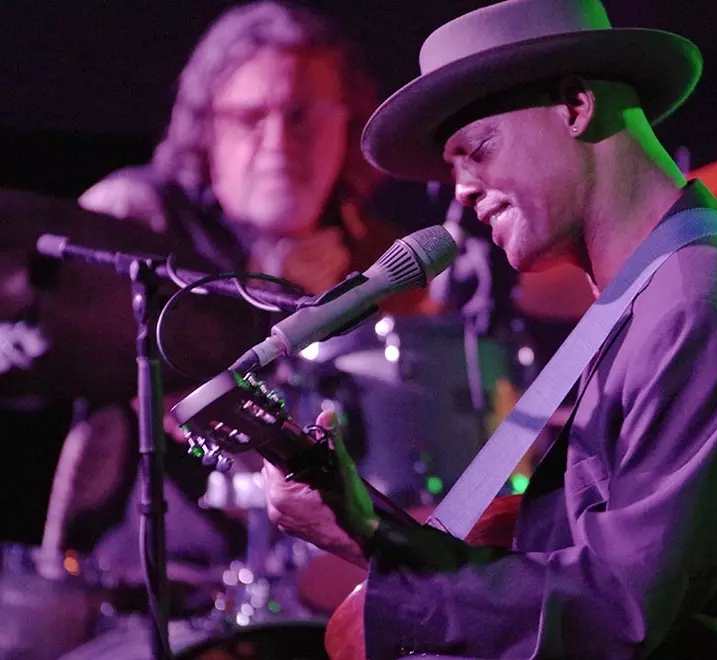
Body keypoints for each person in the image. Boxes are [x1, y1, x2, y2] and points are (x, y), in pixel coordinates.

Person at [264, 0, 717, 658]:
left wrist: (404, 603)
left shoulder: (697, 306)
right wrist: (364, 527)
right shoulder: (654, 299)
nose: (463, 190)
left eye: (477, 150)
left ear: (575, 105)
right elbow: (578, 567)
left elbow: (618, 611)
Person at [53, 0, 433, 597]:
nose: (279, 142)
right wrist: (264, 282)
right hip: (150, 585)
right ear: (206, 129)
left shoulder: (380, 256)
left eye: (303, 116)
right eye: (249, 118)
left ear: (348, 122)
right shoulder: (137, 219)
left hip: (326, 590)